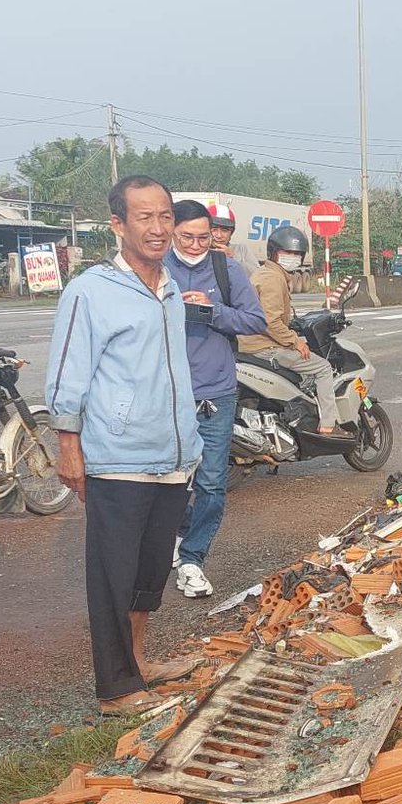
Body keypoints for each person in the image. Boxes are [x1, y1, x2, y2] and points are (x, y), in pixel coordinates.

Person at [47, 176, 205, 715]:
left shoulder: (170, 289)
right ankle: (115, 688)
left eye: (165, 216)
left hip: (172, 457)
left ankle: (139, 662)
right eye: (145, 217)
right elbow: (69, 375)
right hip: (117, 459)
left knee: (149, 571)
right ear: (118, 225)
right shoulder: (90, 290)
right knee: (113, 577)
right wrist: (70, 448)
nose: (159, 228)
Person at [166, 199, 267, 600]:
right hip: (166, 394)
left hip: (215, 392)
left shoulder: (226, 269)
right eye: (186, 236)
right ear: (171, 232)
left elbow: (255, 321)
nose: (195, 244)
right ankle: (176, 533)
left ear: (215, 235)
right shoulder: (155, 269)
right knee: (167, 481)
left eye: (203, 237)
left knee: (210, 483)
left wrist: (212, 311)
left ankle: (192, 558)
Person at [240, 224, 339, 434]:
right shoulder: (273, 279)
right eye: (287, 252)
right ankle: (329, 425)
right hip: (263, 346)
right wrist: (296, 341)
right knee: (322, 368)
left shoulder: (265, 273)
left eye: (297, 254)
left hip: (249, 343)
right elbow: (270, 322)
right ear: (274, 253)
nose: (292, 257)